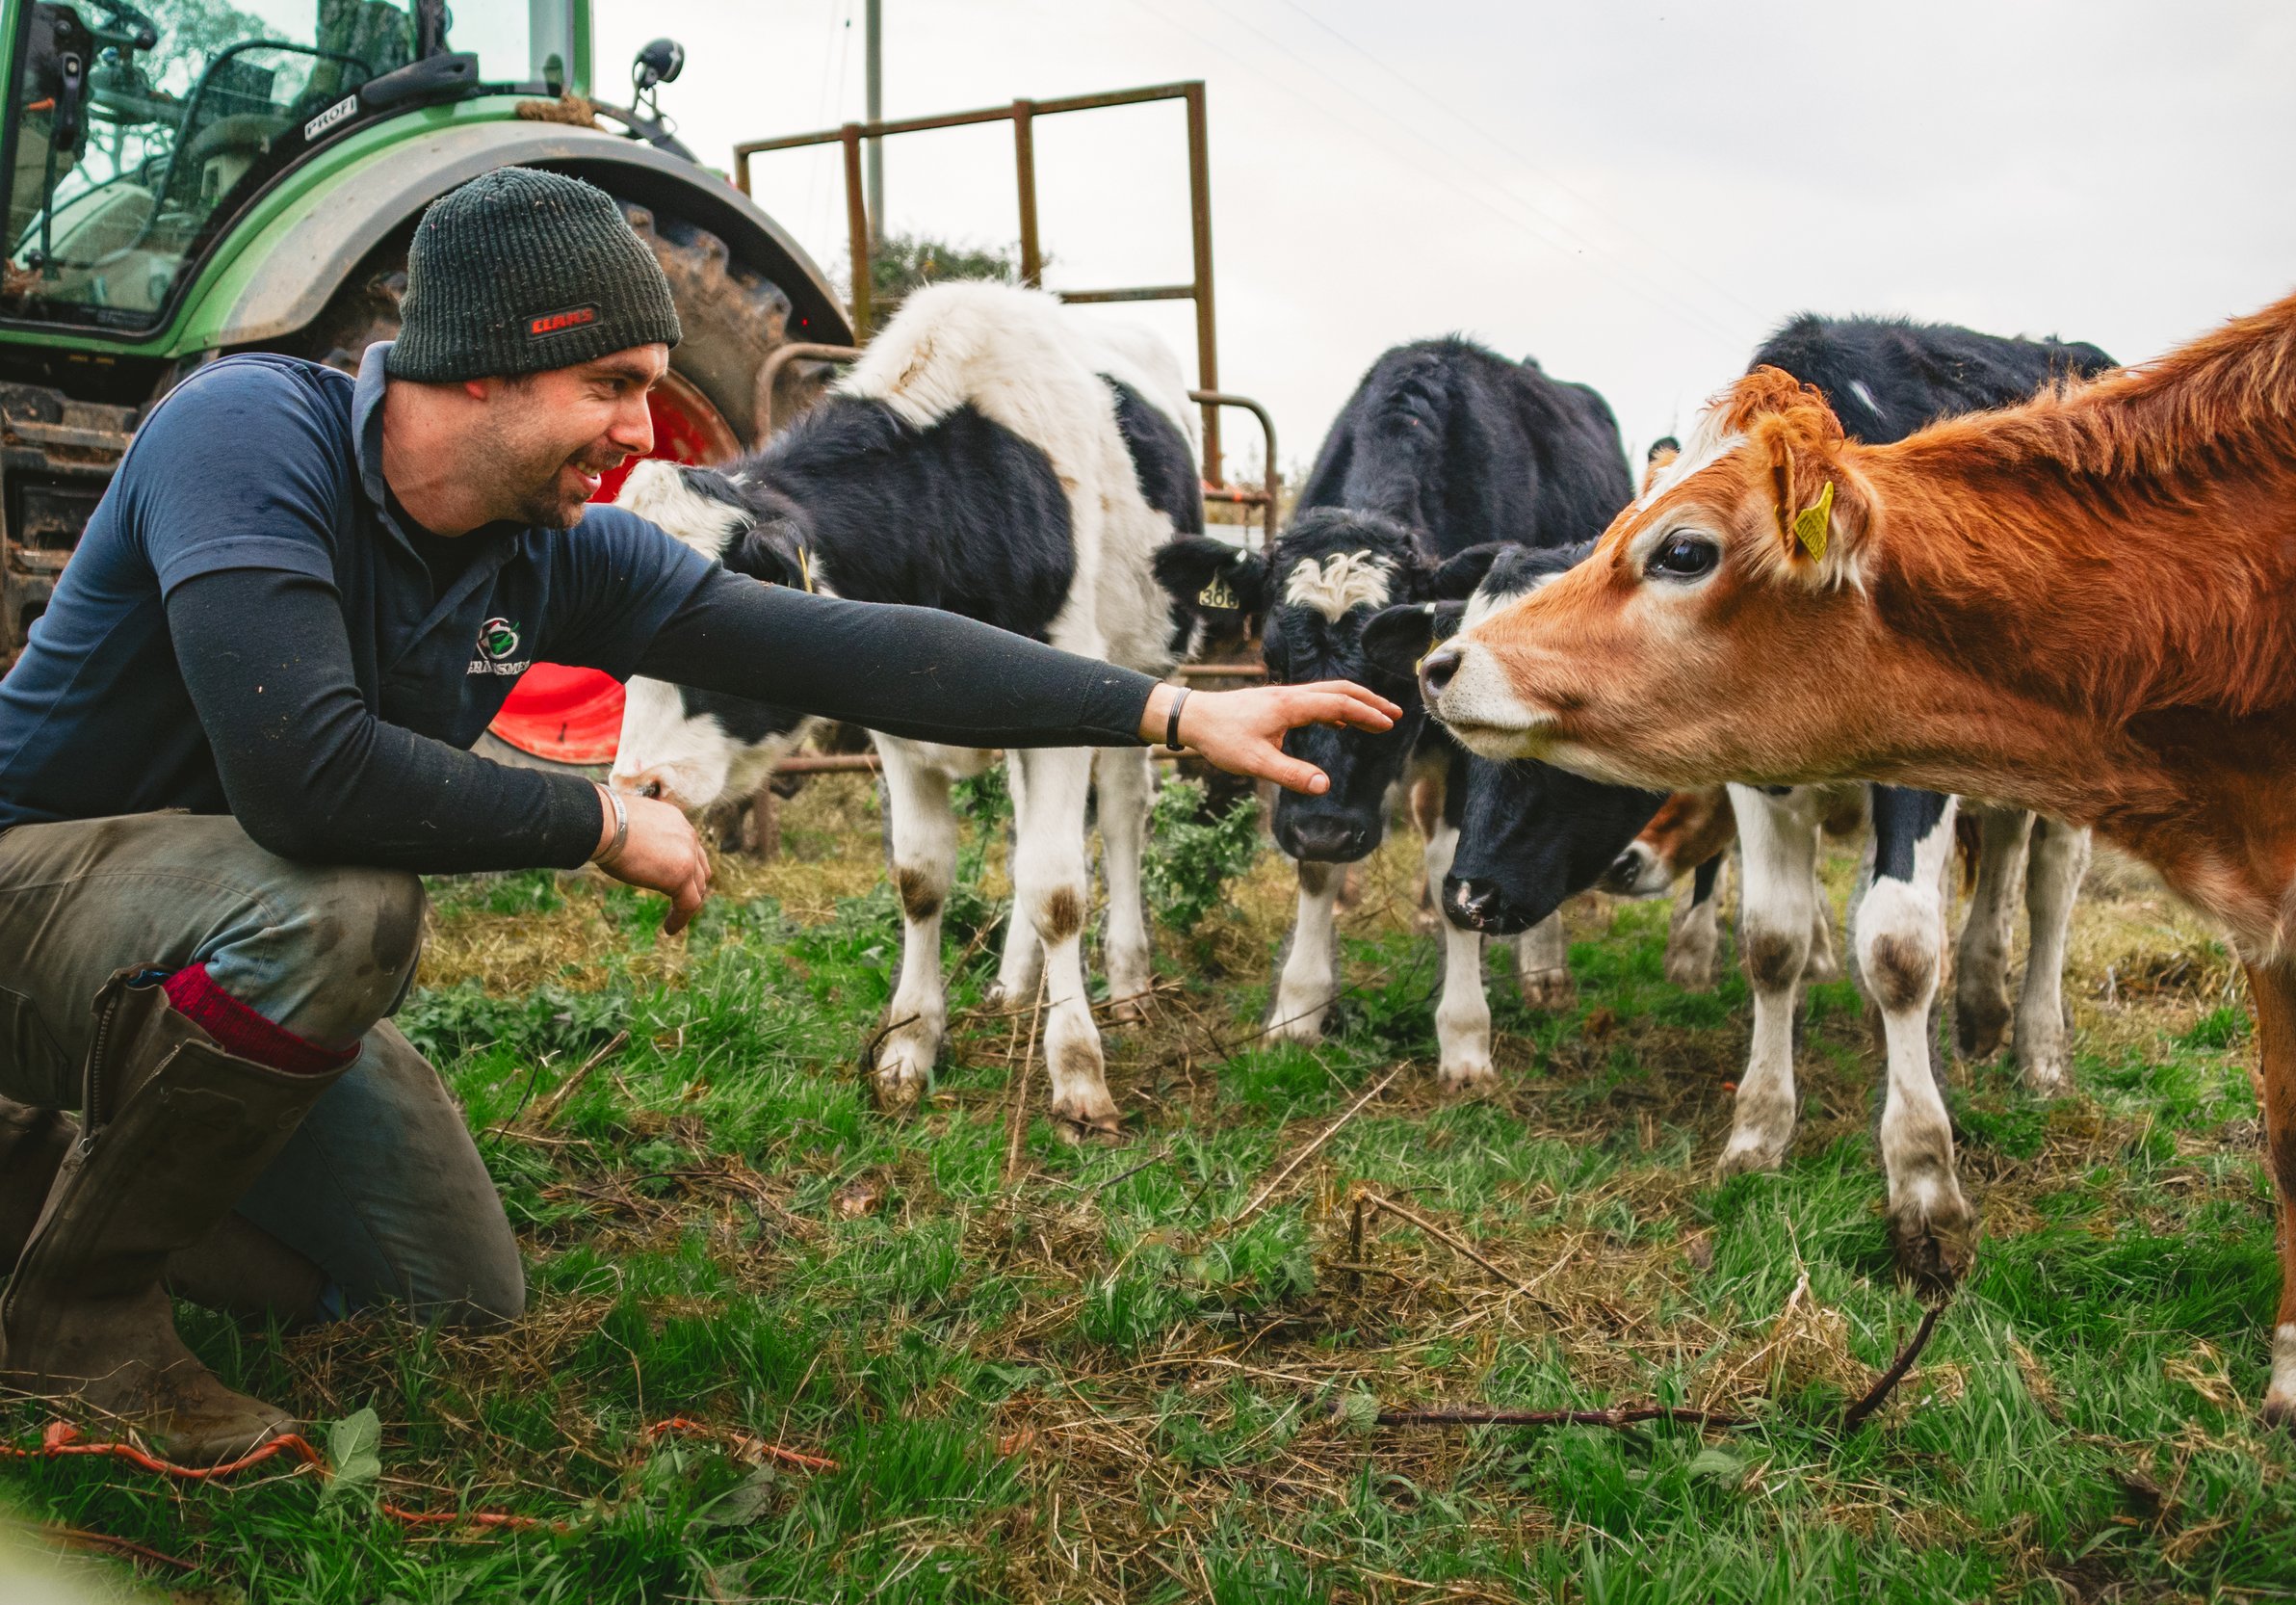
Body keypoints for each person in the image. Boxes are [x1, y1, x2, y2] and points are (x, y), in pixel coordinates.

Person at [0, 168, 1396, 1461]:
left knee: (451, 1295)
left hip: (201, 958)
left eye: (652, 386)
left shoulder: (548, 546)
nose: (636, 431)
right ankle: (78, 1319)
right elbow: (300, 776)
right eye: (609, 383)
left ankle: (40, 1170)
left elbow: (843, 647)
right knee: (345, 907)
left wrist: (1161, 711)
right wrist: (596, 820)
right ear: (475, 363)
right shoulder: (244, 433)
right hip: (36, 891)